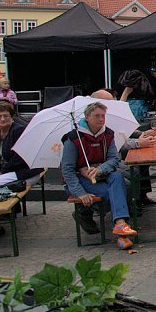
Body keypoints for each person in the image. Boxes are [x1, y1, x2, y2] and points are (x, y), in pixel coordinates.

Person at [61, 102, 138, 247]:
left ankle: (120, 225)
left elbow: (114, 159)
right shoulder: (73, 139)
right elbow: (67, 170)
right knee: (118, 191)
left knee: (118, 177)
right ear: (87, 117)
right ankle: (122, 234)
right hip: (79, 179)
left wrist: (100, 169)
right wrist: (81, 193)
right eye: (97, 116)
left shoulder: (107, 134)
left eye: (103, 116)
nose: (101, 119)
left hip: (101, 176)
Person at [0, 101, 42, 188]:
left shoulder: (18, 130)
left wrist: (1, 172)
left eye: (6, 116)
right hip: (7, 172)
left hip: (23, 171)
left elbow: (18, 159)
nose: (2, 119)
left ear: (11, 116)